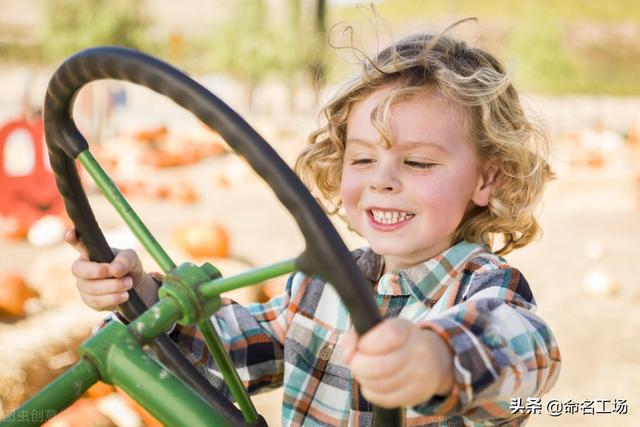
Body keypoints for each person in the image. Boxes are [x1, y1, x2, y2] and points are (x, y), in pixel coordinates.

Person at [66, 21, 561, 426]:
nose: (382, 181)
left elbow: (529, 354)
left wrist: (434, 361)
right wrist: (140, 297)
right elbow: (230, 349)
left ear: (485, 179)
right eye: (362, 159)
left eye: (419, 163)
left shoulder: (483, 287)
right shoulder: (325, 280)